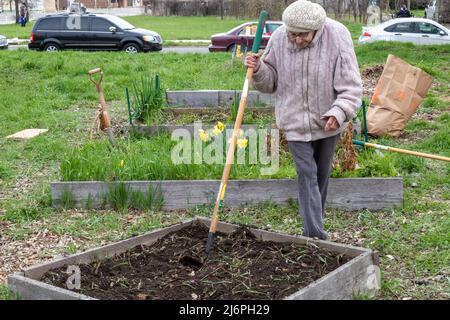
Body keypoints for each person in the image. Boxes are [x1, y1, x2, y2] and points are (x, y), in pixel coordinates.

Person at [245, 0, 362, 240]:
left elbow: (351, 87)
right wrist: (258, 69)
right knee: (307, 173)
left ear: (317, 29)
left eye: (303, 35)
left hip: (327, 121)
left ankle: (315, 224)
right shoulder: (279, 38)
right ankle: (314, 236)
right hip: (294, 121)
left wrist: (338, 113)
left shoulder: (338, 36)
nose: (296, 40)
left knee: (321, 175)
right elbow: (270, 82)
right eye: (293, 34)